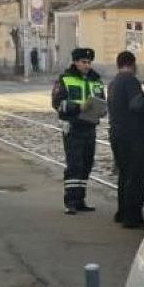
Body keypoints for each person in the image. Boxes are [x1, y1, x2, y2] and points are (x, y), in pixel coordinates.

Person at [107, 50, 144, 229]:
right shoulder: (130, 80)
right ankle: (132, 218)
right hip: (133, 138)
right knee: (136, 177)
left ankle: (122, 213)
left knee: (124, 175)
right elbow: (136, 104)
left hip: (118, 135)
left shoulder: (114, 82)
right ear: (132, 64)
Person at [51, 48, 104, 215]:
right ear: (75, 62)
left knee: (86, 165)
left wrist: (102, 110)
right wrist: (78, 107)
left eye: (89, 62)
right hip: (73, 127)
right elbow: (57, 102)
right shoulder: (65, 79)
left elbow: (102, 100)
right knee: (75, 165)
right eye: (83, 62)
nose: (87, 65)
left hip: (90, 126)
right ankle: (71, 202)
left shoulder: (96, 80)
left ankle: (81, 200)